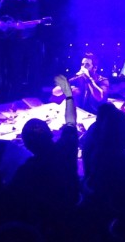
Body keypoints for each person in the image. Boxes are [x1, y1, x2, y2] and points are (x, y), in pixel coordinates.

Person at [7, 74, 79, 226]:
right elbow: (71, 121)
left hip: (42, 225)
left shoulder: (27, 169)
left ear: (26, 145)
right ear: (51, 133)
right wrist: (68, 94)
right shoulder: (66, 149)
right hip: (73, 218)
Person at [0, 0, 41, 99]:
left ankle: (33, 93)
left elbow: (35, 22)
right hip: (14, 40)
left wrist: (23, 26)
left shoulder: (31, 2)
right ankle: (16, 94)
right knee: (15, 67)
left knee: (33, 65)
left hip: (29, 39)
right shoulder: (6, 0)